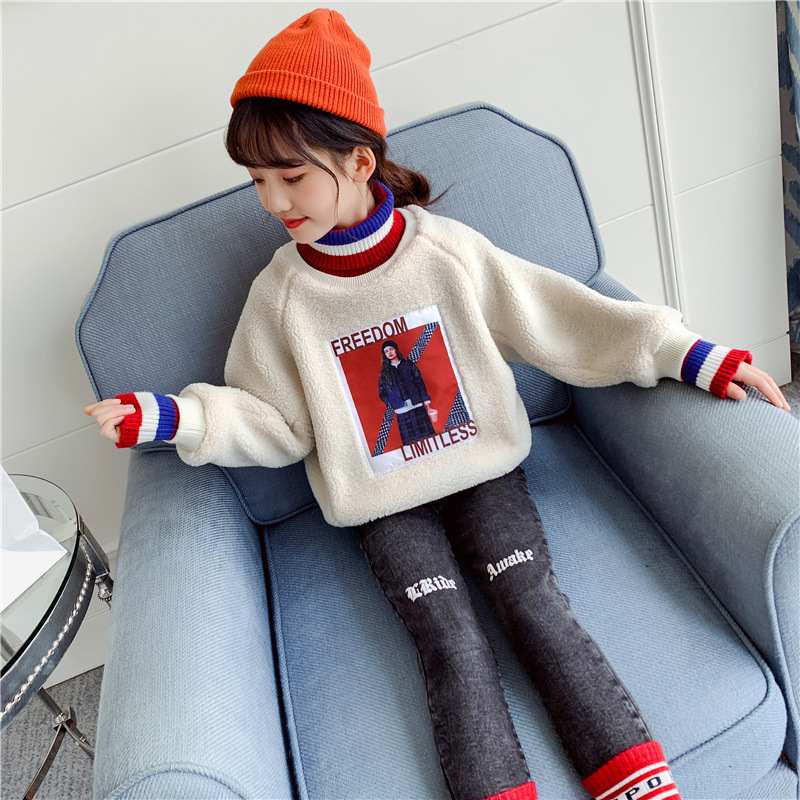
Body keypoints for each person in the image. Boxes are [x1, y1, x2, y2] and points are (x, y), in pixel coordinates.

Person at [84, 10, 791, 800]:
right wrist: (179, 417)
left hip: (485, 474)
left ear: (359, 161)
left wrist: (686, 354)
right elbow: (275, 421)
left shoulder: (445, 253)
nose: (273, 200)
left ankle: (636, 781)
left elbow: (561, 317)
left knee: (533, 604)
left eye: (290, 175)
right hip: (385, 506)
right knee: (449, 640)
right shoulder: (282, 297)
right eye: (257, 180)